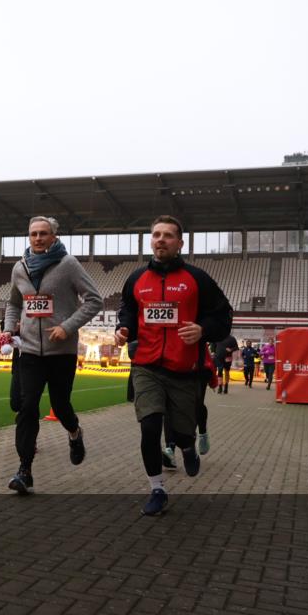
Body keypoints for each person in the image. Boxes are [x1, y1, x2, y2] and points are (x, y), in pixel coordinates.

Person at [115, 215, 232, 516]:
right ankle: (157, 488)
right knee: (150, 427)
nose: (161, 239)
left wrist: (203, 330)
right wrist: (124, 328)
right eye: (156, 234)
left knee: (181, 433)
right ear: (150, 240)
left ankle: (188, 446)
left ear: (180, 243)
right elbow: (127, 309)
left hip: (184, 370)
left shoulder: (197, 279)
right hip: (147, 366)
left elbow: (224, 316)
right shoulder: (136, 279)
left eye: (168, 235)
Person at [2, 216, 103, 494]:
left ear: (53, 236)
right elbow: (13, 303)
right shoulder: (19, 268)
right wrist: (10, 330)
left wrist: (67, 327)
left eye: (43, 233)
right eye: (33, 233)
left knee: (60, 406)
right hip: (31, 352)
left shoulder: (68, 264)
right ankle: (25, 469)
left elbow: (95, 300)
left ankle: (75, 432)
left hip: (62, 352)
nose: (38, 238)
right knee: (27, 406)